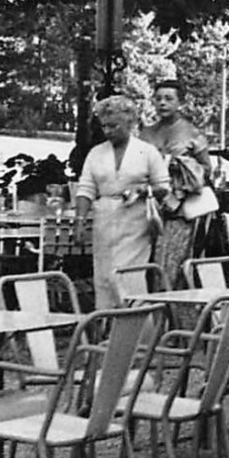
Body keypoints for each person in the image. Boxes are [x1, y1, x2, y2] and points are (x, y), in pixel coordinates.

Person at [74, 94, 170, 308]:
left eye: (113, 126)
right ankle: (108, 329)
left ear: (130, 123)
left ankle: (138, 330)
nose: (108, 131)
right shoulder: (96, 154)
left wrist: (143, 190)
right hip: (104, 221)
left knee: (129, 276)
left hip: (135, 221)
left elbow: (163, 187)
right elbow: (86, 188)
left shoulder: (147, 152)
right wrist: (79, 220)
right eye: (104, 126)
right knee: (105, 276)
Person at [141, 77, 216, 282]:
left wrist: (182, 168)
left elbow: (207, 169)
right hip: (149, 205)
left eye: (168, 98)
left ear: (179, 102)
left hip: (179, 208)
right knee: (145, 260)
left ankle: (172, 307)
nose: (162, 103)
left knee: (171, 261)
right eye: (158, 99)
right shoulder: (146, 133)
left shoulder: (191, 132)